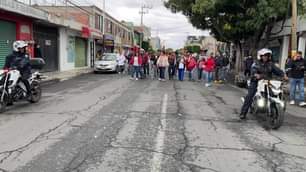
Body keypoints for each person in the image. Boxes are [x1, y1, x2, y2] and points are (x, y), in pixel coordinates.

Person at [240, 48, 286, 119]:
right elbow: (253, 71)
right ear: (260, 56)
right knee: (250, 95)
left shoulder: (271, 64)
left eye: (267, 56)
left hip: (267, 81)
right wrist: (256, 75)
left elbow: (278, 71)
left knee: (276, 92)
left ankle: (278, 110)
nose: (265, 57)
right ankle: (243, 113)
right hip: (256, 81)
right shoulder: (255, 63)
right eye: (264, 56)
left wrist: (284, 75)